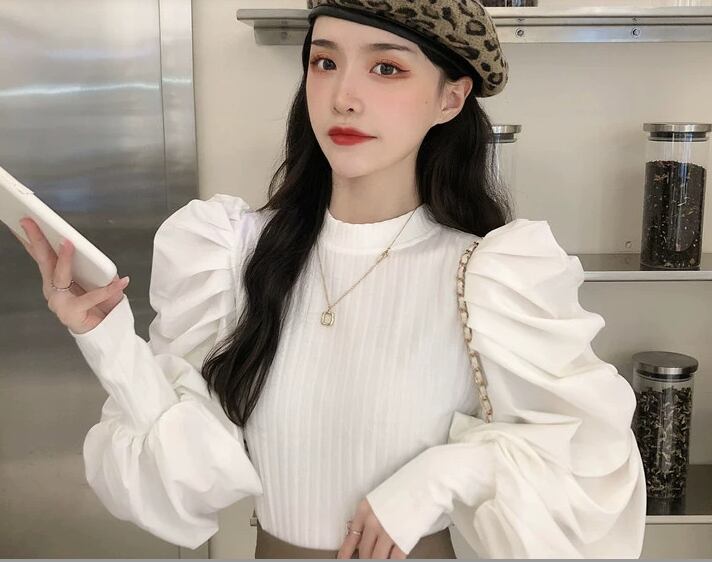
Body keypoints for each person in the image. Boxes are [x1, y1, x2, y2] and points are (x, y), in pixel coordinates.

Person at [10, 0, 647, 558]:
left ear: (450, 99)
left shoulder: (486, 277)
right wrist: (108, 340)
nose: (344, 95)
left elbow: (587, 463)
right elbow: (188, 477)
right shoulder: (236, 256)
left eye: (387, 68)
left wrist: (446, 475)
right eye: (325, 61)